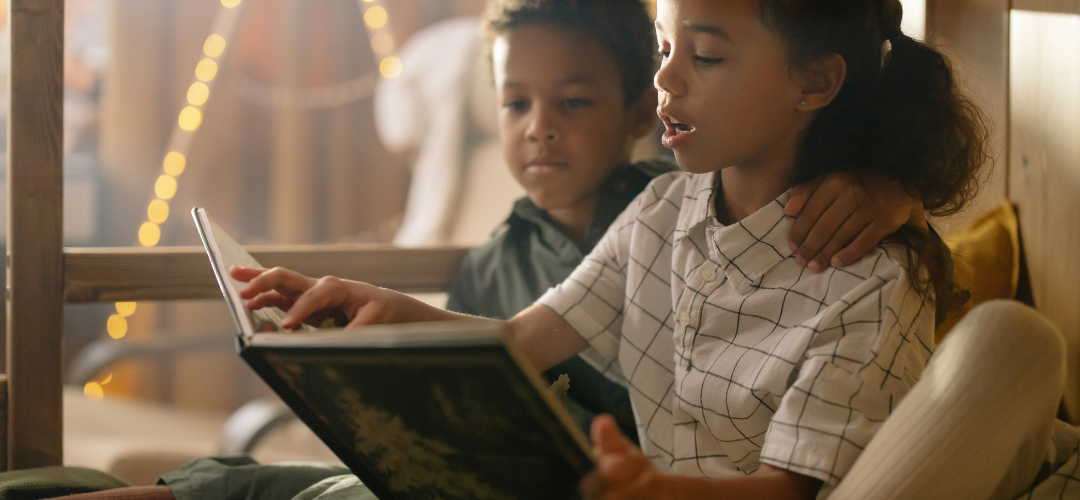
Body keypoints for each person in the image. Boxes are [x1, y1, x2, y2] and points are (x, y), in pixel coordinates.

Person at [231, 0, 1007, 498]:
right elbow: (518, 341)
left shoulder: (871, 275)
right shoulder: (662, 208)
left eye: (703, 56)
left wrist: (653, 487)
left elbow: (790, 491)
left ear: (815, 82)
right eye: (666, 45)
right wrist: (376, 307)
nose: (664, 79)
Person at [444, 0, 927, 444]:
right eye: (515, 104)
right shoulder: (492, 268)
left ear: (636, 115)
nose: (539, 128)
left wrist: (897, 193)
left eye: (573, 101)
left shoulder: (679, 196)